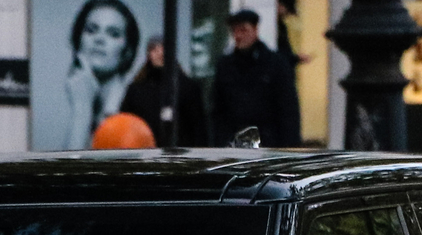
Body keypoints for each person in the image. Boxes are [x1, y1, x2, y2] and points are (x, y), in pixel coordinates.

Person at [209, 8, 301, 147]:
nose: (238, 35)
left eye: (243, 30)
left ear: (255, 30)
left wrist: (288, 148)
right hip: (233, 144)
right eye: (235, 31)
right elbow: (218, 110)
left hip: (268, 143)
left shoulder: (275, 64)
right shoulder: (225, 66)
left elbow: (288, 110)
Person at [63, 0, 141, 148]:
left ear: (127, 51)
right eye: (91, 30)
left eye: (113, 34)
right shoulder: (79, 99)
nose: (99, 39)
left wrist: (82, 110)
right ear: (78, 41)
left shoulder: (138, 109)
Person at [121, 37, 207, 147]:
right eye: (154, 49)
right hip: (144, 154)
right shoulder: (136, 90)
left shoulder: (188, 88)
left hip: (180, 155)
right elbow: (125, 125)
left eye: (164, 49)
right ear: (149, 55)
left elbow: (199, 129)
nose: (160, 53)